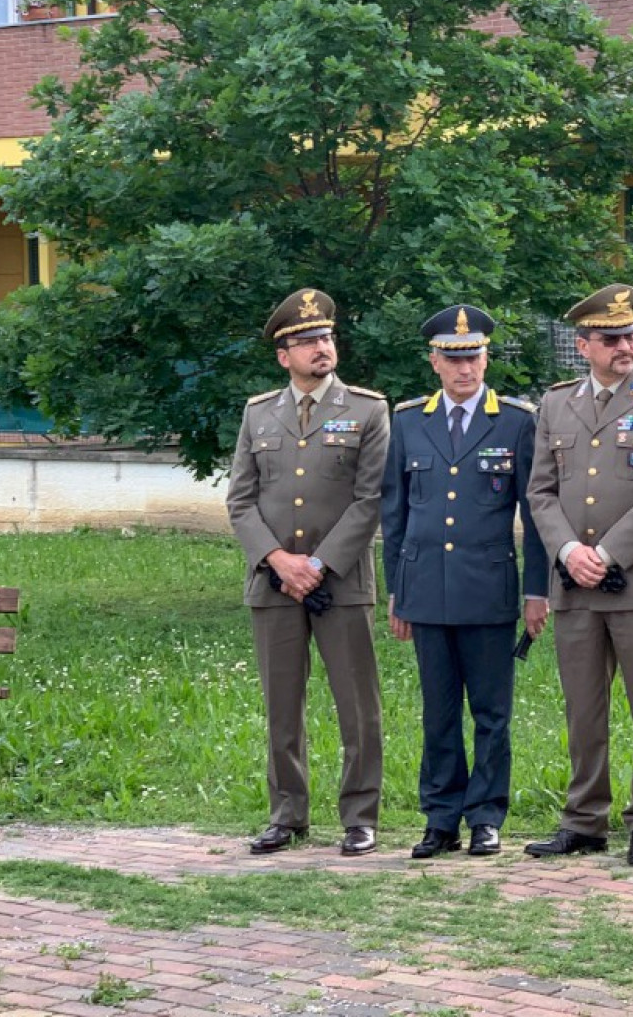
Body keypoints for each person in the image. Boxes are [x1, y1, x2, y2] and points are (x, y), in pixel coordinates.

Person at [524, 283, 633, 867]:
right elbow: (540, 491)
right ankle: (584, 818)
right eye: (611, 337)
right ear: (583, 345)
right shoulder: (555, 404)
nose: (625, 346)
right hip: (573, 583)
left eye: (630, 335)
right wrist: (569, 551)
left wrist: (609, 554)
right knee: (583, 707)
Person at [381, 304, 550, 859]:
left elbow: (537, 515)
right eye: (453, 359)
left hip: (489, 592)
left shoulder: (517, 422)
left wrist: (535, 591)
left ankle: (486, 816)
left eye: (474, 357)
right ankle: (440, 817)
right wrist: (397, 592)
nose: (465, 369)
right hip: (426, 590)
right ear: (434, 362)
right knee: (438, 713)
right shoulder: (408, 422)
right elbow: (395, 516)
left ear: (486, 358)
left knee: (492, 714)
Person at [226, 287, 390, 857]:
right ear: (283, 355)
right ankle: (287, 814)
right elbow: (240, 502)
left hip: (340, 583)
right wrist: (278, 561)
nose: (321, 347)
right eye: (306, 341)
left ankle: (360, 816)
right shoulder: (257, 413)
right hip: (273, 583)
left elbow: (369, 501)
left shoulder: (369, 410)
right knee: (282, 707)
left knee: (358, 706)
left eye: (325, 337)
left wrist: (318, 565)